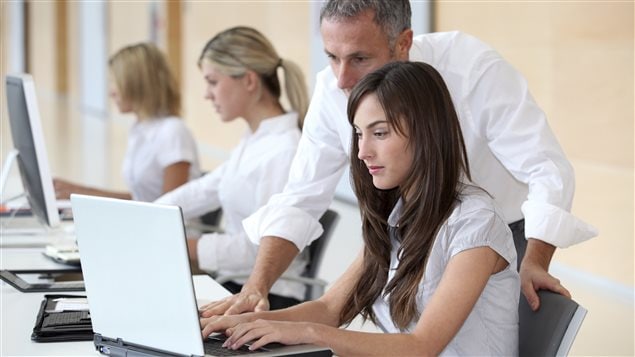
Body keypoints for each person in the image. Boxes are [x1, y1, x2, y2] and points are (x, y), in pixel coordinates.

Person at [200, 61, 520, 356]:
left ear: (427, 134)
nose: (363, 151)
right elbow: (330, 310)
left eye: (379, 133)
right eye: (358, 133)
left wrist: (307, 332)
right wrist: (249, 322)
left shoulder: (476, 224)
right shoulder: (397, 214)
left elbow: (422, 347)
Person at [155, 26, 310, 310]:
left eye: (213, 82)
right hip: (236, 283)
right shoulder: (256, 139)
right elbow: (205, 189)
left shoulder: (284, 151)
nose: (207, 94)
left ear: (249, 81)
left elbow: (260, 249)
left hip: (270, 297)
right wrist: (150, 215)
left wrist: (181, 244)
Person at [54, 42, 201, 202]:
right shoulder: (139, 128)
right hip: (147, 219)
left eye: (115, 82)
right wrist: (79, 192)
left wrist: (82, 193)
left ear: (137, 84)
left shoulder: (173, 131)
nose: (111, 92)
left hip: (170, 225)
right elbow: (142, 199)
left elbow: (169, 209)